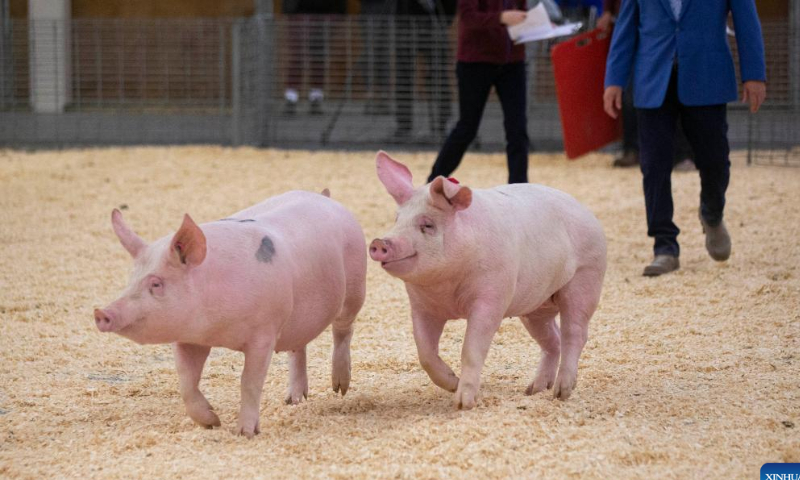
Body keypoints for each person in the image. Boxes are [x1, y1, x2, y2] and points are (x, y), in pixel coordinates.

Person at [603, 0, 766, 276]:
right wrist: (614, 79)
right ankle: (664, 246)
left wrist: (754, 74)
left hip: (708, 75)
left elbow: (746, 20)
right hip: (652, 76)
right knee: (653, 165)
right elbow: (626, 26)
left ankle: (712, 213)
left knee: (715, 161)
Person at [428, 0, 530, 184]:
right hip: (475, 62)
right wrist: (501, 17)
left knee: (518, 128)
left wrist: (536, 26)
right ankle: (433, 182)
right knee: (467, 128)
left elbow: (521, 12)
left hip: (513, 62)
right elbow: (468, 17)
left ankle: (519, 187)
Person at [597, 0, 695, 171]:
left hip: (667, 30)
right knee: (631, 97)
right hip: (635, 26)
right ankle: (633, 149)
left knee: (676, 90)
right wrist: (607, 10)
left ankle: (682, 153)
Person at [394, 0, 456, 140]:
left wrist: (445, 19)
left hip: (435, 21)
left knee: (438, 75)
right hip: (406, 23)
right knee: (403, 76)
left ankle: (442, 124)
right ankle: (403, 126)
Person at [282, 0, 347, 115]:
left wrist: (340, 11)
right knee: (297, 56)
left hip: (327, 12)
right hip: (299, 11)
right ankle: (291, 97)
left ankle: (315, 97)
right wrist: (289, 9)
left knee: (318, 57)